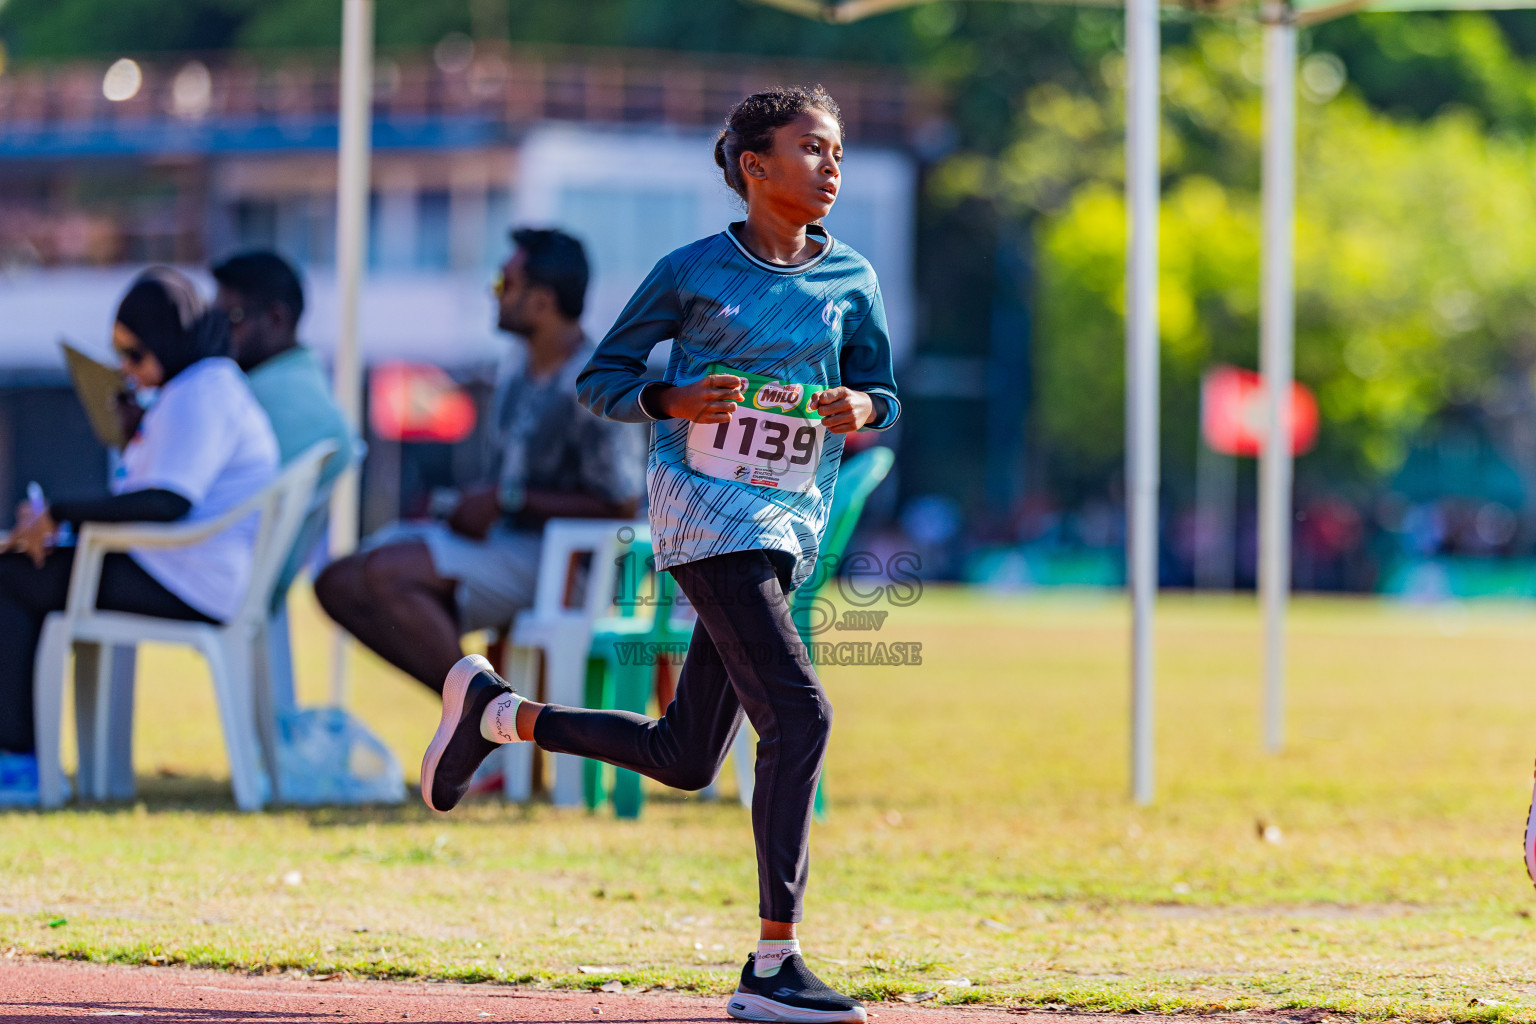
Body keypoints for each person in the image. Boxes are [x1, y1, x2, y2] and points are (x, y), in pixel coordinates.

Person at [416, 87, 899, 1024]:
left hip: (787, 522)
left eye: (837, 150)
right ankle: (773, 962)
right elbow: (601, 379)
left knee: (686, 756)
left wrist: (863, 409)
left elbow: (883, 388)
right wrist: (676, 403)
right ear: (755, 168)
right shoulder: (690, 272)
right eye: (811, 149)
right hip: (708, 517)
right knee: (800, 719)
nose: (832, 166)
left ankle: (497, 714)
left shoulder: (854, 282)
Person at [314, 228, 645, 693]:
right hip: (512, 547)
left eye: (503, 284)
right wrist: (472, 505)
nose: (494, 295)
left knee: (387, 574)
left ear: (542, 300)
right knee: (338, 581)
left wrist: (508, 500)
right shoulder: (517, 368)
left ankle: (479, 714)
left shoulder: (596, 381)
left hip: (572, 565)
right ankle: (481, 713)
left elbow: (622, 507)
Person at [0, 268, 279, 800]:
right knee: (21, 573)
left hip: (186, 577)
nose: (127, 370)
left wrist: (59, 514)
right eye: (119, 356)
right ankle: (22, 756)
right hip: (184, 569)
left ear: (170, 341)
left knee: (11, 578)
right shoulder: (200, 386)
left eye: (135, 355)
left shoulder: (202, 392)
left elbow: (166, 503)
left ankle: (17, 761)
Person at [211, 251, 353, 496]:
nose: (218, 333)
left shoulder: (275, 399)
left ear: (276, 318)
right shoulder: (296, 384)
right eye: (213, 320)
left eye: (231, 318)